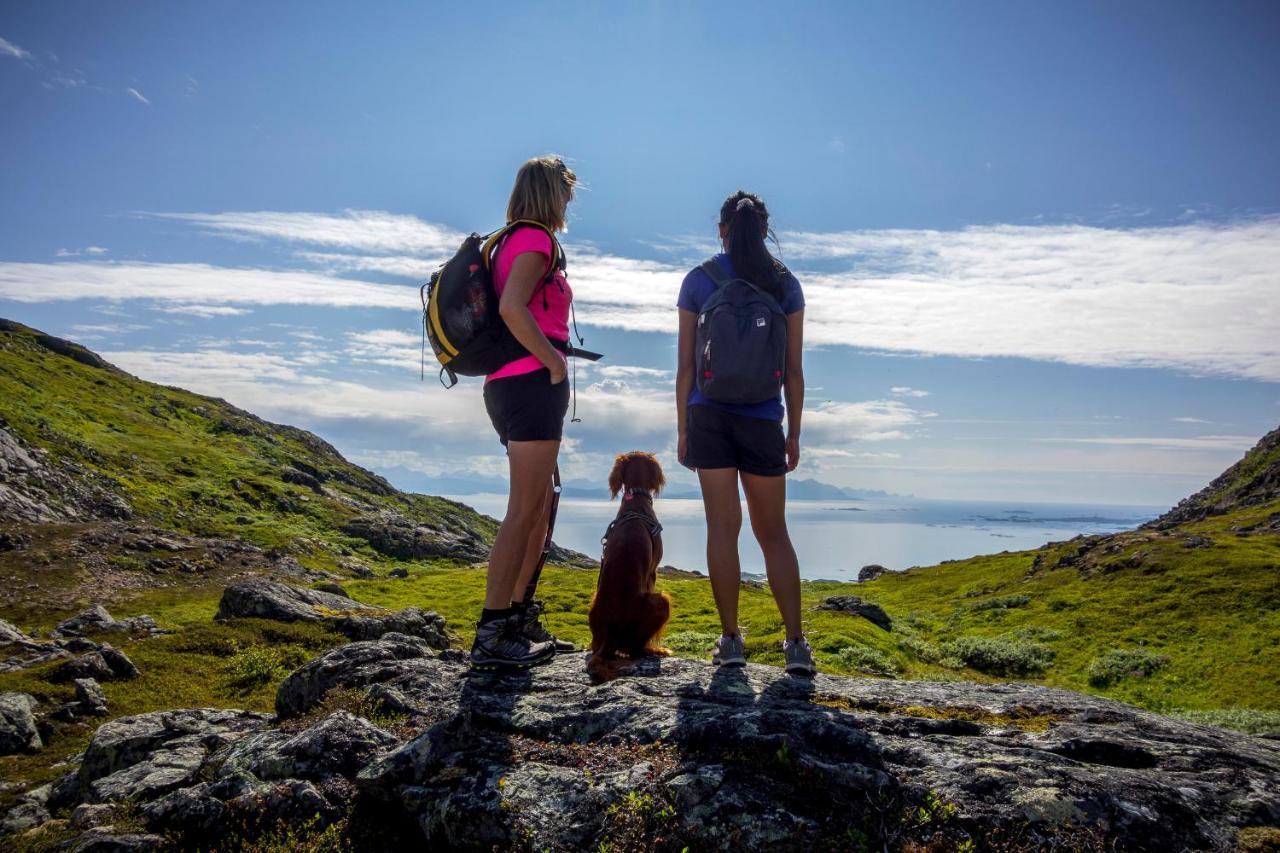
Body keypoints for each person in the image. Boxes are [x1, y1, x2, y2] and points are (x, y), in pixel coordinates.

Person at [675, 190, 815, 676]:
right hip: (762, 420)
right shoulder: (785, 284)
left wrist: (682, 429)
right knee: (774, 534)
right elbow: (793, 371)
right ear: (764, 229)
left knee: (722, 530)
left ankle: (731, 639)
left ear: (722, 230)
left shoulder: (699, 281)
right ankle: (796, 644)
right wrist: (793, 432)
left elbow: (686, 367)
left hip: (708, 416)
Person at [470, 155, 579, 670]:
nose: (571, 200)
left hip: (506, 386)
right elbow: (514, 308)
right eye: (567, 191)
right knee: (524, 508)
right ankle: (494, 629)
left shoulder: (507, 240)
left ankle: (516, 617)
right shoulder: (535, 240)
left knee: (537, 504)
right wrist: (553, 362)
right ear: (553, 194)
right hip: (531, 385)